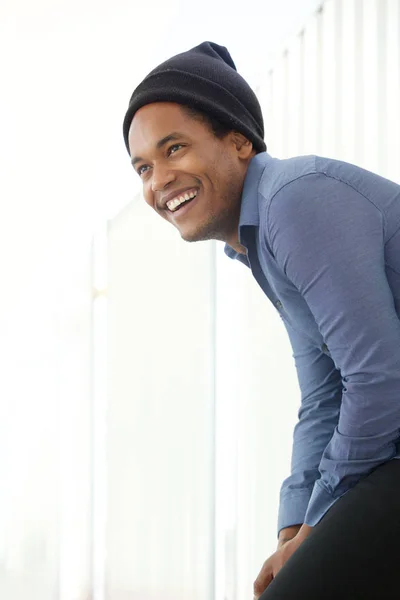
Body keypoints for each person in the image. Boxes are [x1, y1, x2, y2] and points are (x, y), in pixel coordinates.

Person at [122, 41, 400, 599]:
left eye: (175, 148)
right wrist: (293, 528)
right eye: (144, 167)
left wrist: (317, 526)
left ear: (239, 141)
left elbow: (379, 381)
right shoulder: (261, 242)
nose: (159, 181)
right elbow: (323, 396)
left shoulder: (295, 201)